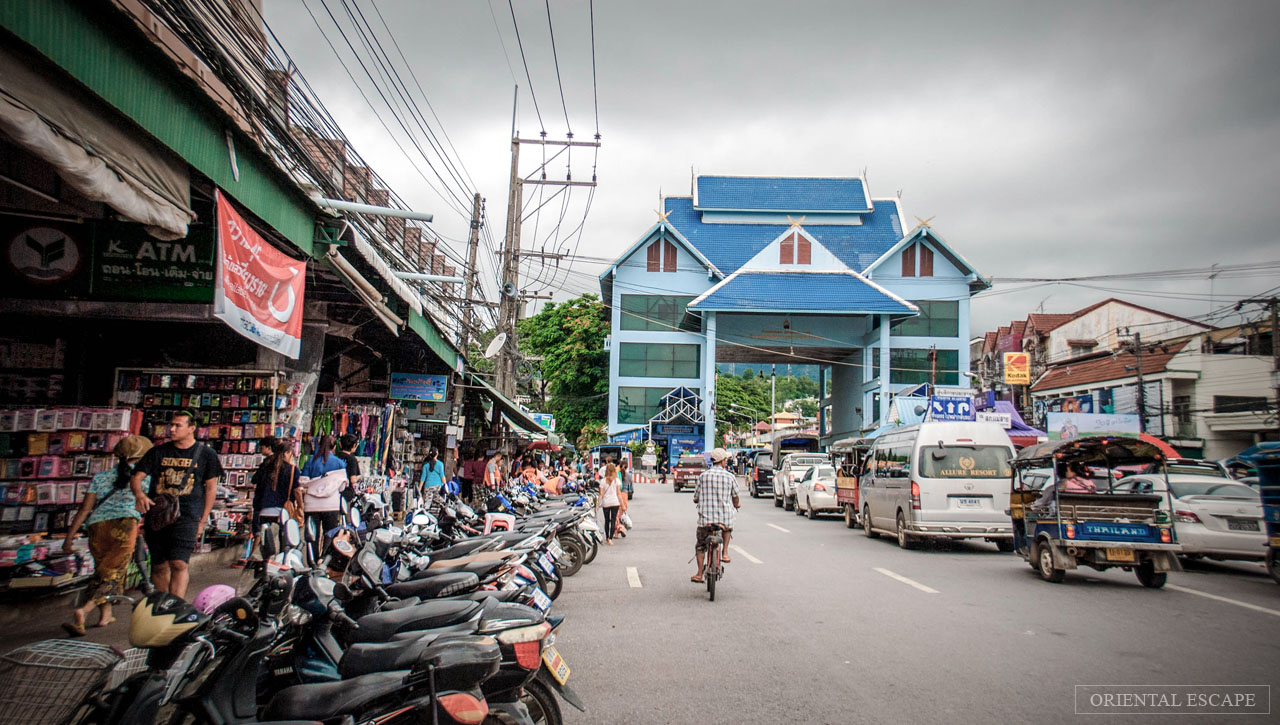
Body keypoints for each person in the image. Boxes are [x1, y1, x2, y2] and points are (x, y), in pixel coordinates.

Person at [62, 435, 153, 636]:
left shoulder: (100, 478)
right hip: (125, 525)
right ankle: (83, 612)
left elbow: (85, 510)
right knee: (114, 572)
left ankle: (106, 615)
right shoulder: (144, 479)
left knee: (102, 570)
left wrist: (69, 537)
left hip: (96, 526)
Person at [132, 411, 223, 599]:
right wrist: (139, 494)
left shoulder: (207, 455)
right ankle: (162, 605)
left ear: (192, 429)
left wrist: (203, 520)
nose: (172, 429)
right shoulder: (157, 452)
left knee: (179, 563)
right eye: (171, 425)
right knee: (159, 565)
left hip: (188, 516)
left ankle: (176, 606)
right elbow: (137, 477)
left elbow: (210, 488)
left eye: (177, 425)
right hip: (158, 515)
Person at [691, 448, 740, 584]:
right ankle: (724, 552)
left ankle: (700, 574)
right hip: (724, 519)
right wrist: (737, 505)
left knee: (700, 545)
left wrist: (698, 500)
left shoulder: (703, 476)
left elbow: (696, 497)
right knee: (728, 527)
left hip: (705, 520)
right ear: (723, 461)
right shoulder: (730, 476)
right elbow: (735, 497)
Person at [250, 437, 299, 554]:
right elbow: (296, 490)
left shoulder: (265, 465)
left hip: (263, 509)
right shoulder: (292, 469)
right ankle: (278, 565)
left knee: (265, 542)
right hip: (282, 512)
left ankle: (262, 566)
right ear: (287, 453)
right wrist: (300, 505)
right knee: (283, 544)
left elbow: (254, 480)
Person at [298, 434, 349, 540]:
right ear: (334, 447)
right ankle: (326, 556)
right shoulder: (339, 463)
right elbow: (342, 488)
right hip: (331, 504)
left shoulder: (310, 462)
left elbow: (303, 481)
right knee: (330, 536)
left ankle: (313, 556)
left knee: (312, 538)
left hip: (311, 504)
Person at [1032, 463, 1097, 509]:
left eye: (1067, 470)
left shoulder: (1066, 483)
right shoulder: (1090, 483)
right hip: (1087, 510)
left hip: (1066, 511)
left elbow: (1051, 494)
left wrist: (1033, 506)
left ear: (1074, 472)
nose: (1066, 472)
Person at [334, 434, 363, 505]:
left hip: (334, 491)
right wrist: (359, 477)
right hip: (347, 492)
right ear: (354, 445)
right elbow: (353, 480)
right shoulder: (352, 459)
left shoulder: (336, 457)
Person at [597, 463, 622, 546]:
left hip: (606, 503)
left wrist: (597, 504)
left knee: (607, 520)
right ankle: (610, 538)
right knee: (613, 520)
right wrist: (623, 504)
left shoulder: (603, 481)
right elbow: (619, 494)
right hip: (615, 502)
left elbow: (601, 494)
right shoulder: (617, 480)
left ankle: (607, 537)